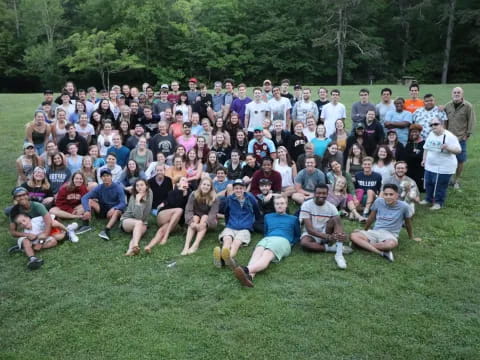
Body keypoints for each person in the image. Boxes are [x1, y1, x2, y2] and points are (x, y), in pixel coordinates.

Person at [231, 196, 301, 287]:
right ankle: (249, 277)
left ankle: (245, 269)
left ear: (286, 205)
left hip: (283, 240)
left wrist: (290, 243)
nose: (279, 206)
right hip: (268, 238)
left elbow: (297, 235)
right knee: (257, 252)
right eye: (277, 204)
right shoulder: (268, 217)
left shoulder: (293, 219)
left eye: (282, 203)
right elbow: (267, 231)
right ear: (274, 205)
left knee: (267, 254)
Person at [351, 184, 420, 262]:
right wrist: (364, 231)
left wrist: (411, 237)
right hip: (376, 231)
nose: (388, 197)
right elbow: (371, 218)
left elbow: (408, 223)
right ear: (383, 194)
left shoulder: (404, 207)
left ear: (397, 195)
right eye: (386, 194)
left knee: (390, 244)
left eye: (391, 194)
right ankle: (381, 252)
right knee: (354, 235)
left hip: (390, 235)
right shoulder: (378, 201)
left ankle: (362, 245)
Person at [299, 184, 351, 269]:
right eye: (318, 193)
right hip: (311, 234)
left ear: (327, 194)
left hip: (325, 230)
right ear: (314, 193)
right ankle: (331, 248)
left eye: (324, 193)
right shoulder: (306, 205)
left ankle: (339, 255)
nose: (321, 195)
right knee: (305, 243)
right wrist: (328, 237)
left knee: (336, 219)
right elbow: (310, 230)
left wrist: (340, 235)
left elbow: (338, 223)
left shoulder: (332, 207)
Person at [213, 179, 260, 267]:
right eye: (236, 188)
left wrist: (255, 222)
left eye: (241, 188)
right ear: (233, 189)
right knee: (227, 239)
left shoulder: (250, 198)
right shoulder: (230, 199)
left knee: (236, 243)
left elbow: (256, 210)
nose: (238, 190)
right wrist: (227, 224)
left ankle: (227, 258)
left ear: (245, 189)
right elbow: (226, 212)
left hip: (245, 228)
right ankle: (224, 256)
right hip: (231, 226)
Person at [421, 117, 461, 210]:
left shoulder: (450, 136)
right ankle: (428, 199)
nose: (433, 126)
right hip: (430, 165)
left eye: (436, 124)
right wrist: (424, 159)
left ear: (442, 125)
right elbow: (426, 148)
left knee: (440, 185)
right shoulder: (431, 134)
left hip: (443, 167)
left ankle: (438, 203)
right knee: (429, 183)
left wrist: (448, 148)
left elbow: (458, 150)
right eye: (431, 125)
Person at [146, 176, 191, 251]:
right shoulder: (172, 193)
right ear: (178, 184)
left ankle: (149, 246)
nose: (185, 182)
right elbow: (173, 204)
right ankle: (165, 237)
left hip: (176, 221)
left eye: (187, 181)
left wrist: (186, 193)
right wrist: (180, 191)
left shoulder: (190, 195)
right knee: (179, 210)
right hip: (164, 215)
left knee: (162, 230)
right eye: (183, 180)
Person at [80, 168, 127, 240]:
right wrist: (87, 210)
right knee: (90, 201)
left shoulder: (118, 187)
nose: (106, 178)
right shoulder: (99, 187)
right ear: (101, 178)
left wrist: (114, 208)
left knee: (117, 211)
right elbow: (84, 198)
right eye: (103, 176)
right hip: (103, 209)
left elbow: (123, 203)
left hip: (114, 210)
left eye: (108, 175)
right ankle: (85, 225)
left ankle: (106, 230)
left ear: (111, 176)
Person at [444, 87, 476, 189]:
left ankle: (457, 180)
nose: (456, 94)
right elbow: (444, 120)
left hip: (461, 137)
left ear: (462, 94)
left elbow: (471, 120)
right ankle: (449, 179)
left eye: (458, 93)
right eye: (455, 92)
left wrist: (468, 134)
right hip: (449, 137)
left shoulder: (468, 106)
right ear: (451, 94)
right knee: (448, 159)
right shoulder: (447, 106)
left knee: (460, 160)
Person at [182, 177, 219, 255]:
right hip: (196, 218)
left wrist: (204, 224)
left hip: (209, 221)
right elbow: (188, 210)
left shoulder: (215, 197)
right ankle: (186, 246)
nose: (205, 186)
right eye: (204, 184)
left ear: (211, 187)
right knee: (195, 217)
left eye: (208, 185)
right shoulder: (193, 194)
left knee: (205, 217)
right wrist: (191, 223)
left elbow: (213, 214)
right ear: (200, 185)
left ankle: (195, 244)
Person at [120, 179, 153, 256]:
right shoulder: (133, 197)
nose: (139, 187)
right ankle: (136, 246)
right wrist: (137, 201)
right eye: (137, 186)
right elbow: (138, 217)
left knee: (136, 235)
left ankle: (130, 250)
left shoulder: (150, 193)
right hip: (127, 220)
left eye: (142, 185)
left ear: (146, 186)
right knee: (139, 222)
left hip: (143, 222)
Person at [405, 124, 425, 191]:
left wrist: (413, 155)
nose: (414, 133)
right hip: (410, 170)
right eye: (412, 132)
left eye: (416, 132)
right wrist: (415, 155)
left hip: (420, 170)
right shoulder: (409, 143)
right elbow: (406, 156)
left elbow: (421, 157)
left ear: (419, 132)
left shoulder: (424, 143)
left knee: (420, 189)